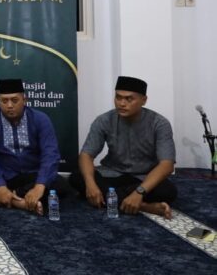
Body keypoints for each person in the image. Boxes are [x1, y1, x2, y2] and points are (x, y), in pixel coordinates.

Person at [70, 76, 177, 219]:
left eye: (129, 99)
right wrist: (90, 185)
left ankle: (116, 199)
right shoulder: (104, 120)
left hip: (143, 178)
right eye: (118, 97)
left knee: (167, 191)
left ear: (144, 100)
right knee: (77, 177)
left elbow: (167, 165)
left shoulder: (159, 123)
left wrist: (139, 192)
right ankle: (143, 206)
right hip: (112, 174)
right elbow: (86, 155)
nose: (122, 103)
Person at [0, 78, 68, 215]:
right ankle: (20, 202)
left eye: (14, 100)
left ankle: (3, 197)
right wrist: (0, 185)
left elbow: (50, 154)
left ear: (25, 100)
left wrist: (39, 186)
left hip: (32, 175)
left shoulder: (40, 119)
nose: (9, 105)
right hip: (4, 175)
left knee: (61, 184)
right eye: (4, 101)